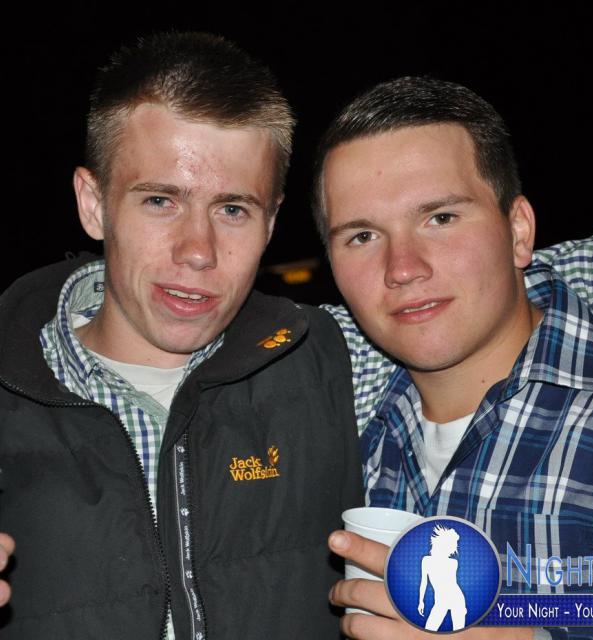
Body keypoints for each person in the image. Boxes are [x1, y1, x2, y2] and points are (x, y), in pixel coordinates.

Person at [0, 32, 364, 639]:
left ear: (272, 222)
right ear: (94, 204)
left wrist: (525, 622)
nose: (198, 251)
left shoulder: (338, 359)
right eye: (160, 201)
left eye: (233, 210)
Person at [312, 76, 593, 639]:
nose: (403, 267)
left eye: (440, 218)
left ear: (518, 232)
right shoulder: (341, 410)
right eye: (362, 236)